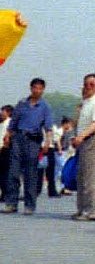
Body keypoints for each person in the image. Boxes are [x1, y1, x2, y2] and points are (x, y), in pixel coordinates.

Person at [2, 78, 53, 215]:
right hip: (18, 139)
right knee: (13, 171)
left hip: (33, 141)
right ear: (31, 88)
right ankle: (11, 203)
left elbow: (48, 127)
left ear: (43, 90)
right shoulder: (22, 104)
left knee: (31, 174)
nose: (37, 90)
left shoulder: (45, 107)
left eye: (40, 88)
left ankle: (29, 205)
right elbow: (13, 123)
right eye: (34, 87)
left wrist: (48, 142)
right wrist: (7, 136)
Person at [71, 73, 95, 221]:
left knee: (91, 177)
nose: (88, 87)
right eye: (86, 84)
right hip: (84, 141)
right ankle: (82, 208)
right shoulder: (86, 102)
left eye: (92, 85)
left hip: (93, 139)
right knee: (82, 177)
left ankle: (91, 210)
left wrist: (81, 136)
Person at [0, 105, 13, 202]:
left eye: (3, 111)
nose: (1, 113)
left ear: (8, 112)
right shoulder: (3, 123)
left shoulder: (9, 124)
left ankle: (5, 194)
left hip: (5, 150)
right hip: (3, 149)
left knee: (4, 173)